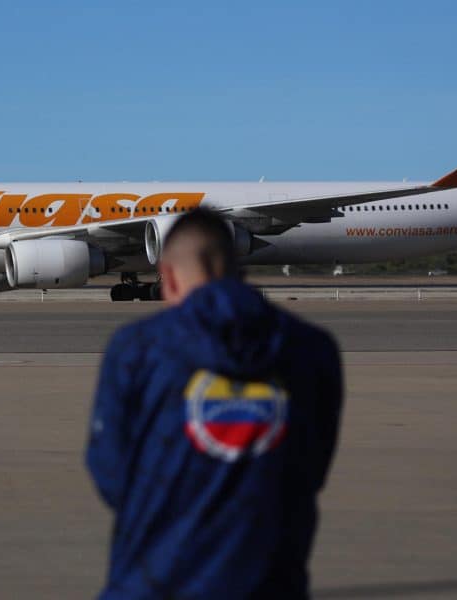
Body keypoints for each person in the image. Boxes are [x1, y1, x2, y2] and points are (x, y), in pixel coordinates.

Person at [86, 209, 343, 599]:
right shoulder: (313, 348)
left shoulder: (137, 348)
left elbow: (111, 474)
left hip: (156, 579)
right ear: (237, 265)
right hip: (269, 581)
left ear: (168, 277)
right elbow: (312, 468)